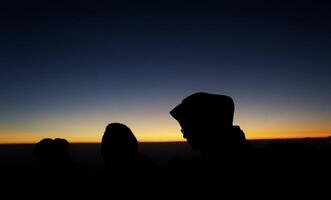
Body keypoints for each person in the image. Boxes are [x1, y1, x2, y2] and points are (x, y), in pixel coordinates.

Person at [169, 92, 254, 174]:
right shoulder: (237, 153)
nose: (184, 136)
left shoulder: (227, 162)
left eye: (187, 129)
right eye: (183, 130)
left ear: (206, 127)